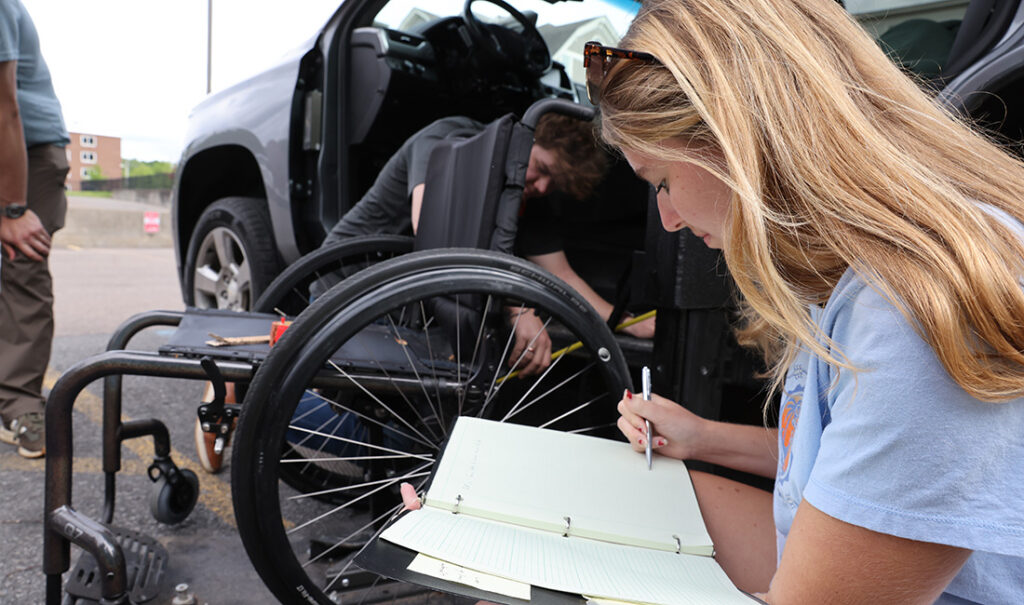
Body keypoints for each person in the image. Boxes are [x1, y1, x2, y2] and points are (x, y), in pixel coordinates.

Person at [585, 0, 1024, 602]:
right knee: (592, 508)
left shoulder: (916, 314)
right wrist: (702, 437)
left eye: (660, 180)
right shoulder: (855, 279)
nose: (668, 219)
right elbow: (850, 469)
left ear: (736, 137)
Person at [313, 112, 656, 375]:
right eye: (539, 167)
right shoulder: (449, 139)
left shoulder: (529, 200)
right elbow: (435, 233)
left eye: (555, 183)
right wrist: (518, 308)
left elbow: (564, 278)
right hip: (348, 286)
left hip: (405, 305)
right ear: (526, 139)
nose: (537, 185)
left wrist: (626, 322)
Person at [0, 0, 69, 459]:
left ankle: (20, 405)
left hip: (25, 146)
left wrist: (12, 208)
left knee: (20, 265)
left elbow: (4, 107)